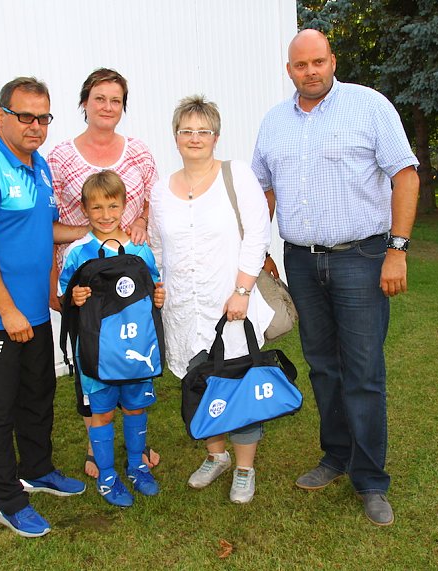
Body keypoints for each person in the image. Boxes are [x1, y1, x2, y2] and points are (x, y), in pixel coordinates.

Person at [251, 29, 420, 526]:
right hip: (301, 260)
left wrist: (398, 250)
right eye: (301, 65)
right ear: (289, 70)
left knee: (364, 371)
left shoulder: (369, 107)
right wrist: (258, 249)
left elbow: (405, 174)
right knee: (323, 366)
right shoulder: (275, 122)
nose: (311, 71)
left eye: (319, 62)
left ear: (332, 61)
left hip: (362, 258)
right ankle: (336, 456)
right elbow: (262, 189)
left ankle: (370, 480)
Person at [0, 77, 87, 538]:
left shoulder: (40, 166)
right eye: (25, 115)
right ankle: (6, 499)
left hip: (33, 312)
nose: (35, 126)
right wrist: (7, 311)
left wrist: (92, 229)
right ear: (0, 114)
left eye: (43, 117)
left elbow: (44, 230)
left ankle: (39, 470)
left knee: (37, 396)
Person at [150, 95, 274, 504]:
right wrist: (157, 283)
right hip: (184, 309)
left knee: (238, 382)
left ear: (216, 136)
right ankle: (215, 455)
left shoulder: (236, 175)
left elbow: (257, 235)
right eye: (187, 130)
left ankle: (244, 468)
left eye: (203, 131)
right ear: (176, 136)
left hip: (231, 306)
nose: (195, 138)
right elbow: (157, 245)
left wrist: (242, 291)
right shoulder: (162, 190)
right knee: (200, 382)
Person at [47, 68, 160, 478]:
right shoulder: (59, 158)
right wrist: (91, 235)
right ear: (84, 103)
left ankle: (136, 443)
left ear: (123, 107)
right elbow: (46, 224)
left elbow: (150, 204)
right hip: (86, 281)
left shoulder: (139, 153)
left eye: (115, 100)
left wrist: (143, 220)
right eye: (99, 98)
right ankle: (97, 449)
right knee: (93, 359)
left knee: (131, 353)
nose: (107, 106)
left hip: (130, 283)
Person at [59, 171, 165, 508]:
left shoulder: (139, 249)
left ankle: (136, 466)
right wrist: (73, 297)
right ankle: (107, 475)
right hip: (96, 354)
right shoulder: (78, 252)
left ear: (125, 206)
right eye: (97, 208)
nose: (106, 215)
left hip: (136, 351)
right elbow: (63, 293)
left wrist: (159, 297)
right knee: (101, 414)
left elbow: (154, 286)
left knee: (136, 409)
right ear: (85, 210)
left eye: (113, 206)